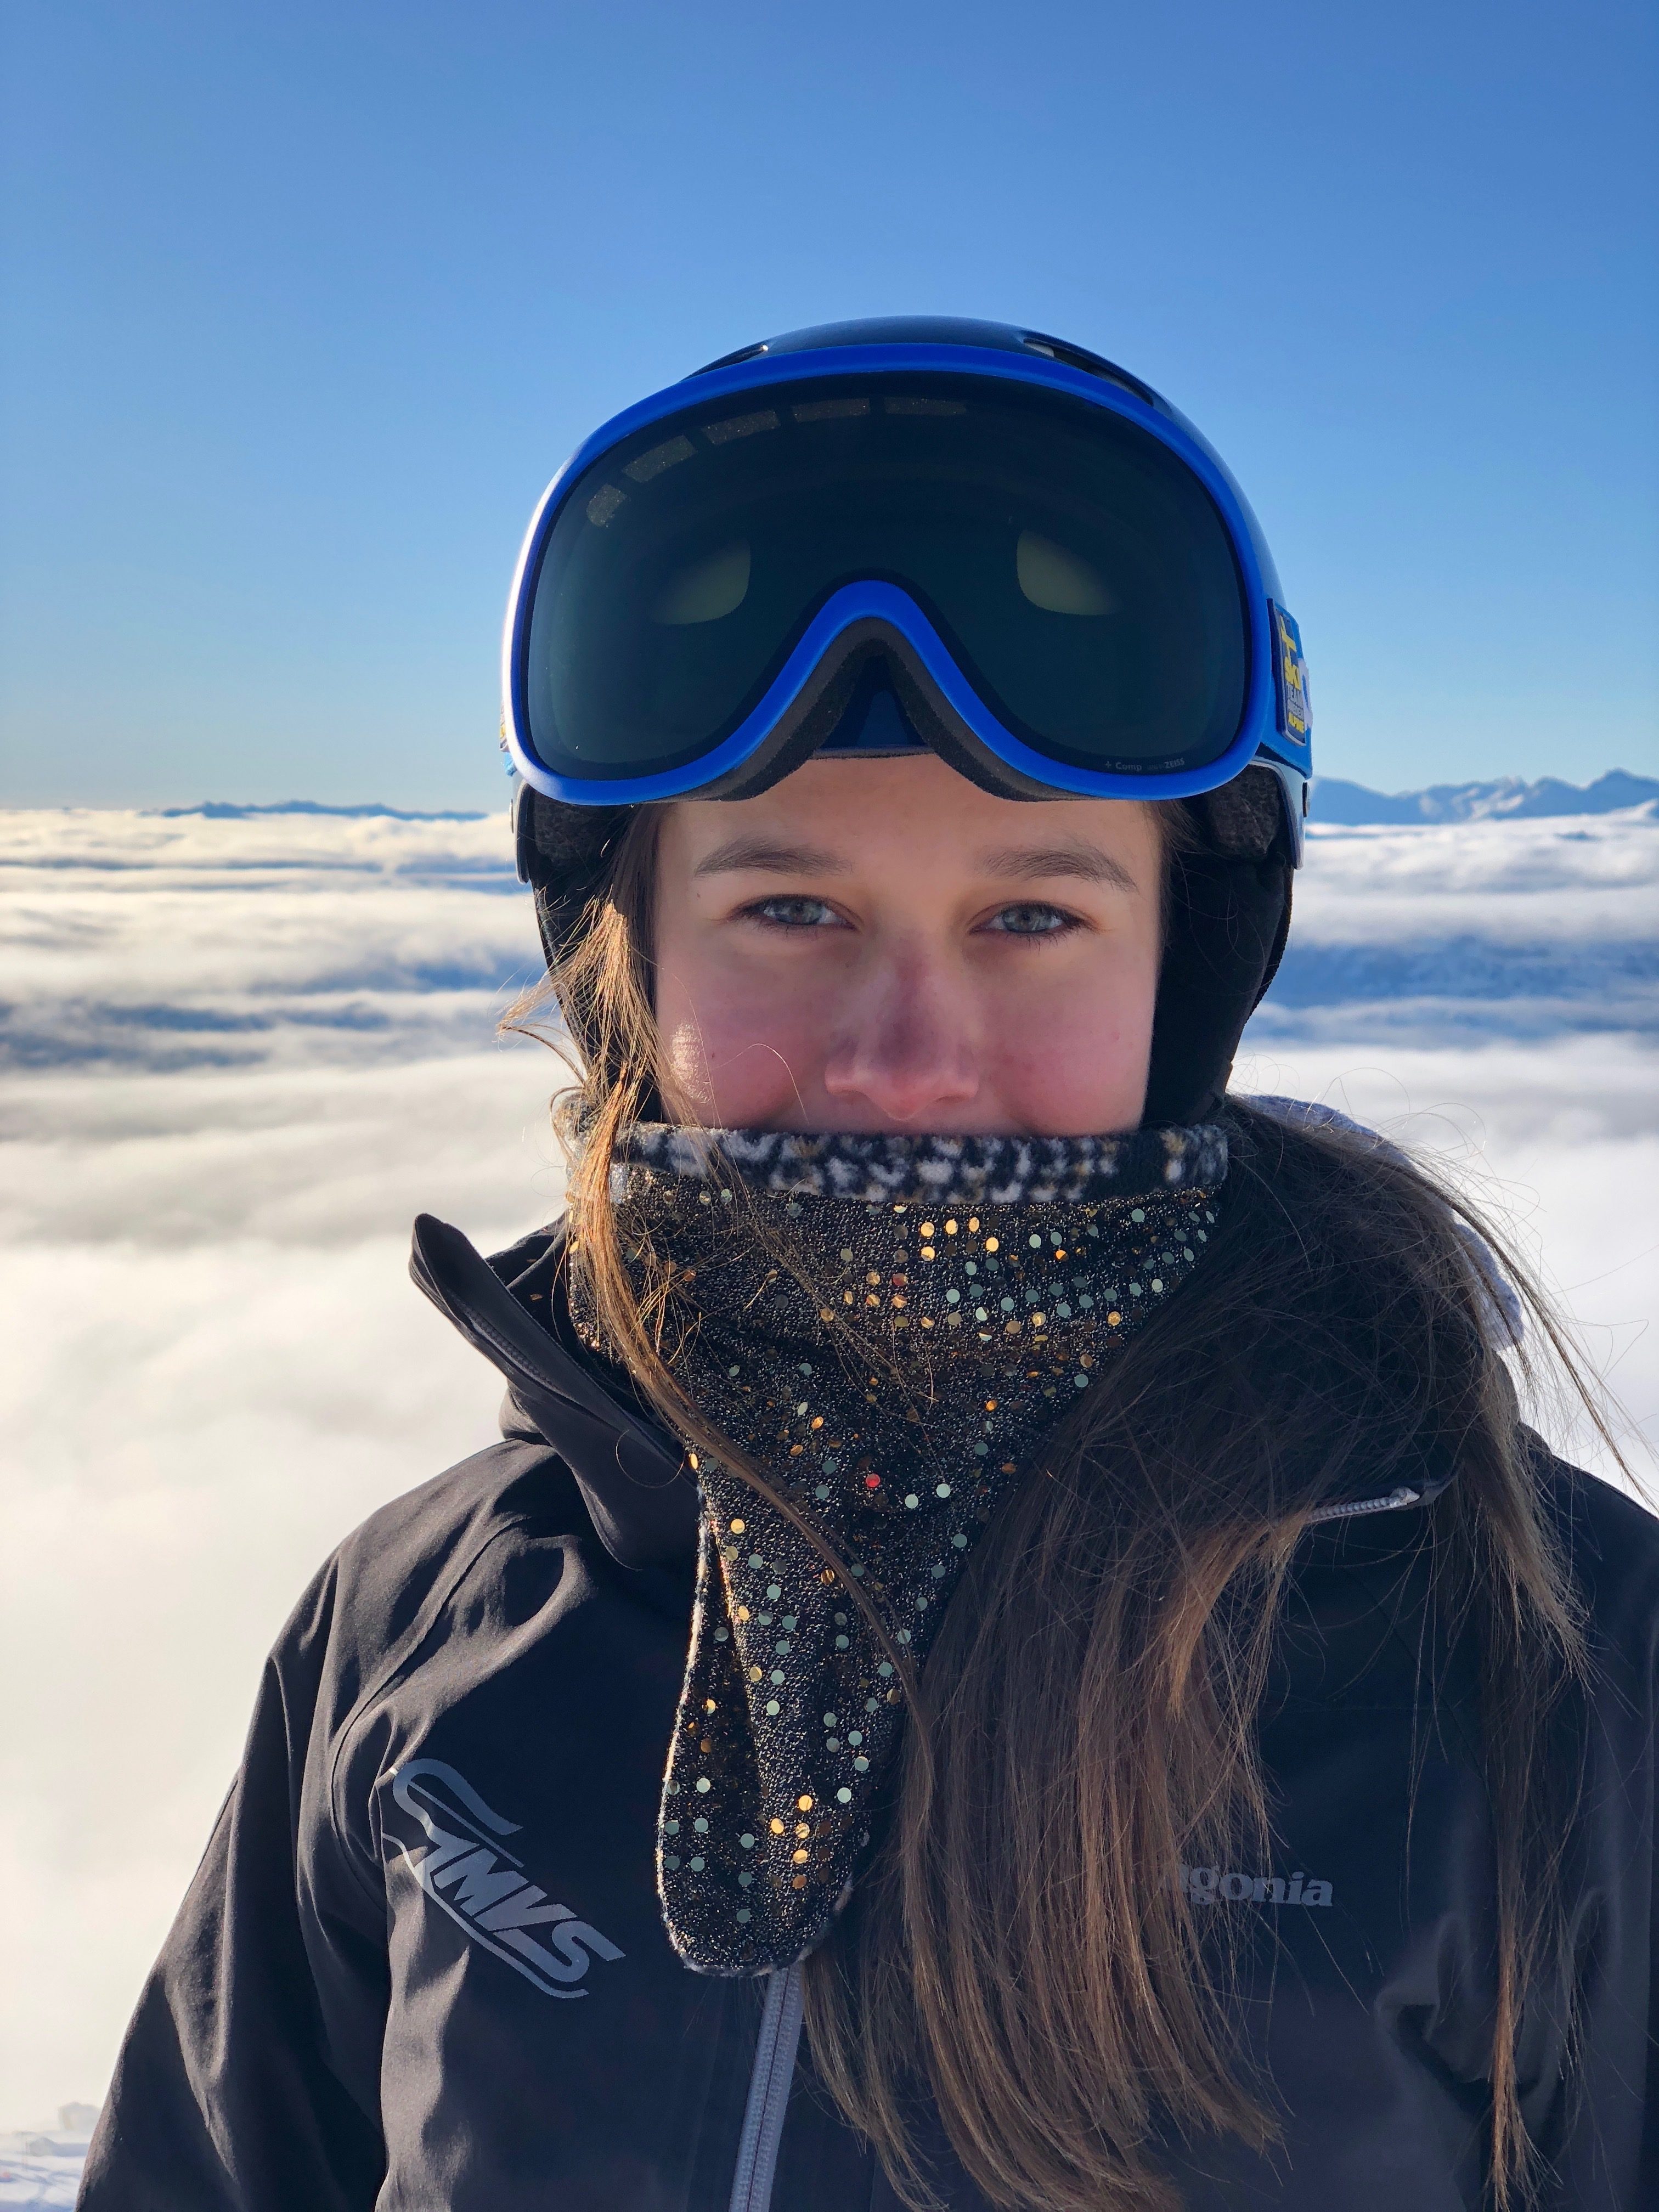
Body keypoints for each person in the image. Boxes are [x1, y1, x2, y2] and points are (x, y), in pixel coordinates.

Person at [80, 319, 1657, 2212]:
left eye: (1033, 916)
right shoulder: (421, 1622)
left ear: (1188, 969)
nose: (908, 1058)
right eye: (792, 906)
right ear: (633, 958)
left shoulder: (1554, 1666)